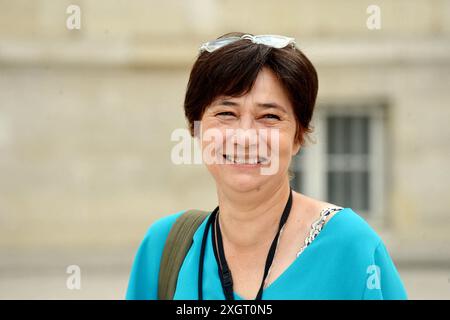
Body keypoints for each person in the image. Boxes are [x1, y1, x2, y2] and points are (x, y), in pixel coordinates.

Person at [126, 32, 407, 300]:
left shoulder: (351, 248)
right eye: (226, 113)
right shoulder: (163, 248)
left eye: (269, 116)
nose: (245, 137)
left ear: (299, 135)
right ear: (196, 129)